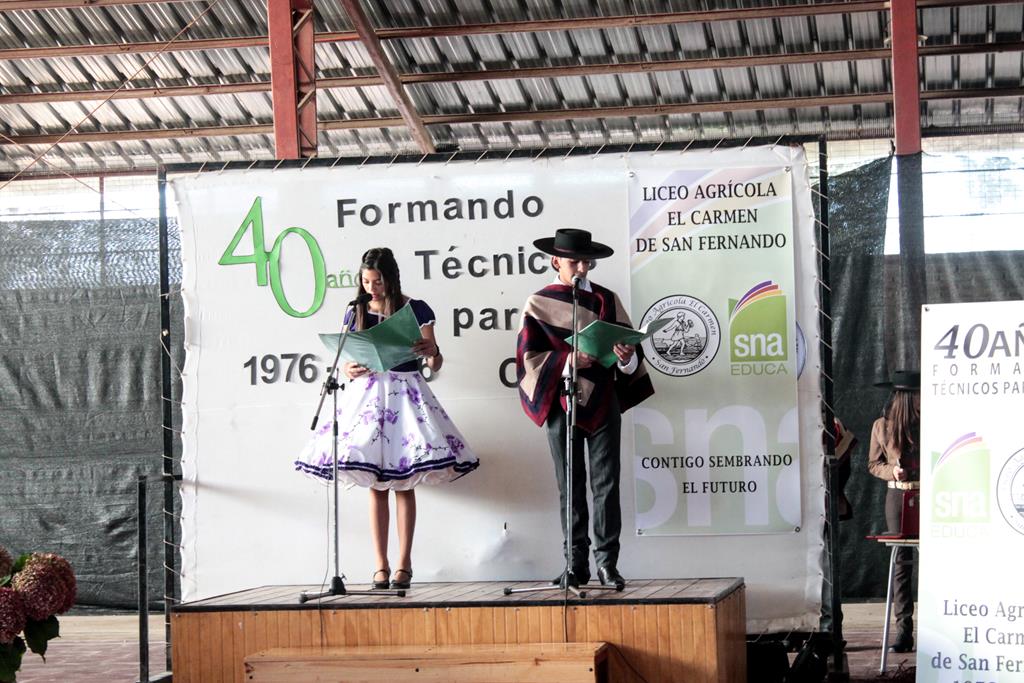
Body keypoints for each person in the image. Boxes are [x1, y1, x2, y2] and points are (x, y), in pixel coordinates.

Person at [295, 247, 479, 590]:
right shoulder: (355, 311)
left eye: (377, 282)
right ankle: (380, 564)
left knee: (404, 483)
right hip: (367, 396)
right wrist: (349, 368)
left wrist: (433, 352)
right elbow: (345, 359)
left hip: (405, 394)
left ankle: (404, 565)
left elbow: (434, 363)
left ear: (391, 279)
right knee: (376, 484)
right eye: (366, 282)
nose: (371, 288)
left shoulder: (416, 309)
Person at [515, 228, 654, 590]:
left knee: (606, 482)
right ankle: (575, 564)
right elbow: (528, 359)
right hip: (561, 400)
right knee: (570, 484)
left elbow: (629, 360)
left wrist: (625, 356)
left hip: (603, 399)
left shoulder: (607, 299)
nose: (581, 268)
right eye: (573, 261)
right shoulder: (538, 303)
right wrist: (567, 360)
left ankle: (607, 562)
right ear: (555, 261)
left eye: (586, 262)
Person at [867, 369, 920, 653]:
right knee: (901, 563)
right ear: (908, 398)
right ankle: (904, 631)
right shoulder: (882, 426)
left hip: (929, 494)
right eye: (919, 394)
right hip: (898, 496)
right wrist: (893, 471)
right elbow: (873, 464)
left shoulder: (932, 422)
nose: (923, 399)